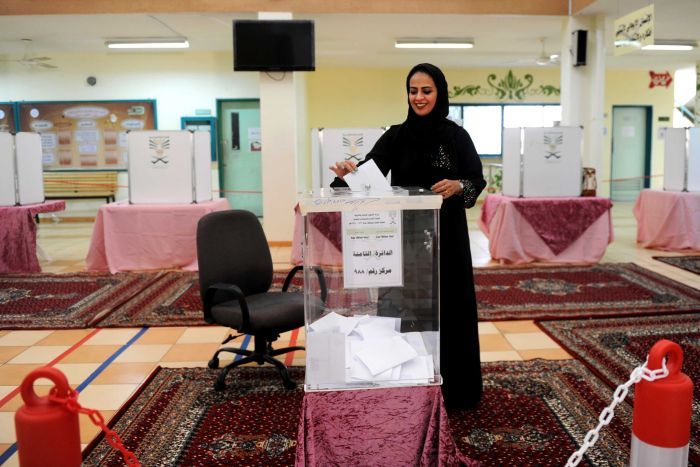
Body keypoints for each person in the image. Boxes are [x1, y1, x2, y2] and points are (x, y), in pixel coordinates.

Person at [329, 63, 486, 410]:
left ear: (439, 93)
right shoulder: (396, 136)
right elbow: (368, 175)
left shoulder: (455, 136)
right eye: (413, 91)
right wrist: (346, 176)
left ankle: (455, 391)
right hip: (404, 242)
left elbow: (477, 179)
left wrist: (460, 185)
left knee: (450, 309)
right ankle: (406, 385)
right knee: (406, 310)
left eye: (426, 91)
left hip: (448, 241)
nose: (418, 97)